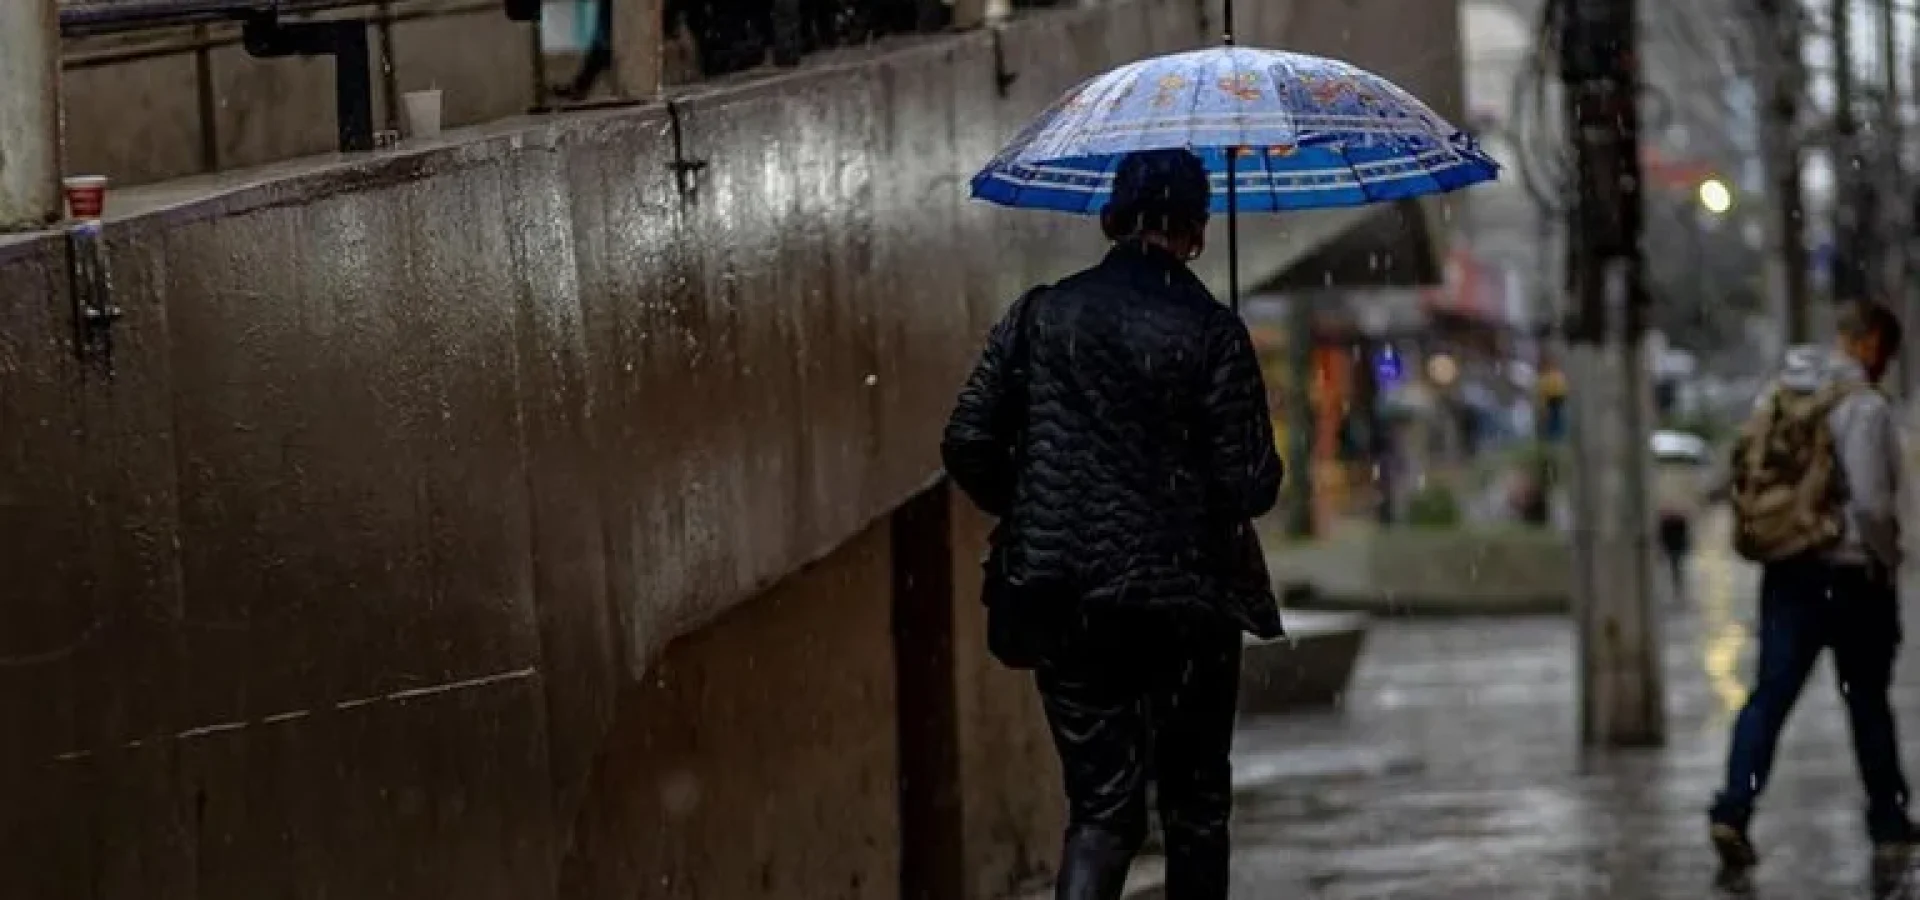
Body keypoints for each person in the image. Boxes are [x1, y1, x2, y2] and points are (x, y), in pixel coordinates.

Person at [941, 148, 1284, 900]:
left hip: (1068, 603)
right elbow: (1252, 486)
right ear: (1196, 232)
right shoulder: (1213, 333)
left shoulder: (1040, 315)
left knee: (1101, 809)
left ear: (1111, 219)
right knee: (1195, 808)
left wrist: (1038, 509)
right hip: (1186, 606)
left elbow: (965, 439)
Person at [1711, 300, 1911, 872]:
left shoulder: (1782, 395)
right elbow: (1872, 503)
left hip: (1789, 569)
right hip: (1851, 574)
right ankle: (1888, 822)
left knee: (1769, 698)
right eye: (1885, 353)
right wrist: (1889, 556)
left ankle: (1733, 809)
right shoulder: (1863, 407)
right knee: (1867, 701)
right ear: (1870, 343)